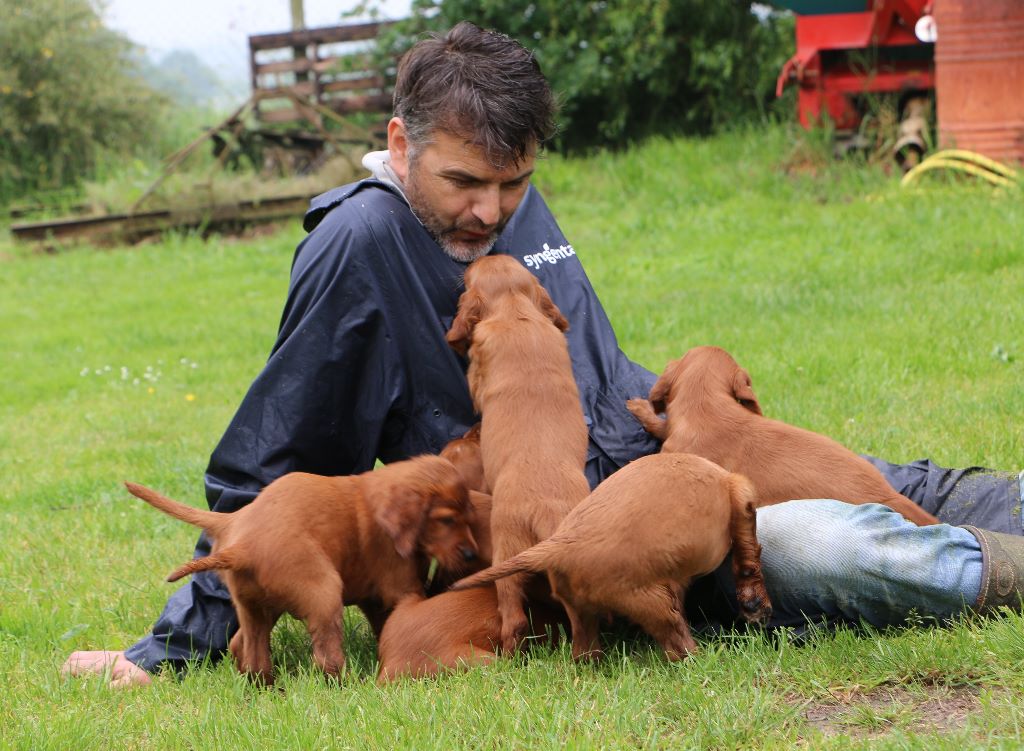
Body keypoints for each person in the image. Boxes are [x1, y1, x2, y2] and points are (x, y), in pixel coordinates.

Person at [63, 21, 1024, 688]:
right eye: (465, 181)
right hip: (608, 546)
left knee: (883, 479)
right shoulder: (360, 247)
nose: (489, 209)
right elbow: (270, 457)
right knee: (823, 543)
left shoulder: (507, 209)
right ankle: (1005, 573)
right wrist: (166, 655)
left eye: (514, 183)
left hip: (670, 466)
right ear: (400, 143)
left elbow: (594, 373)